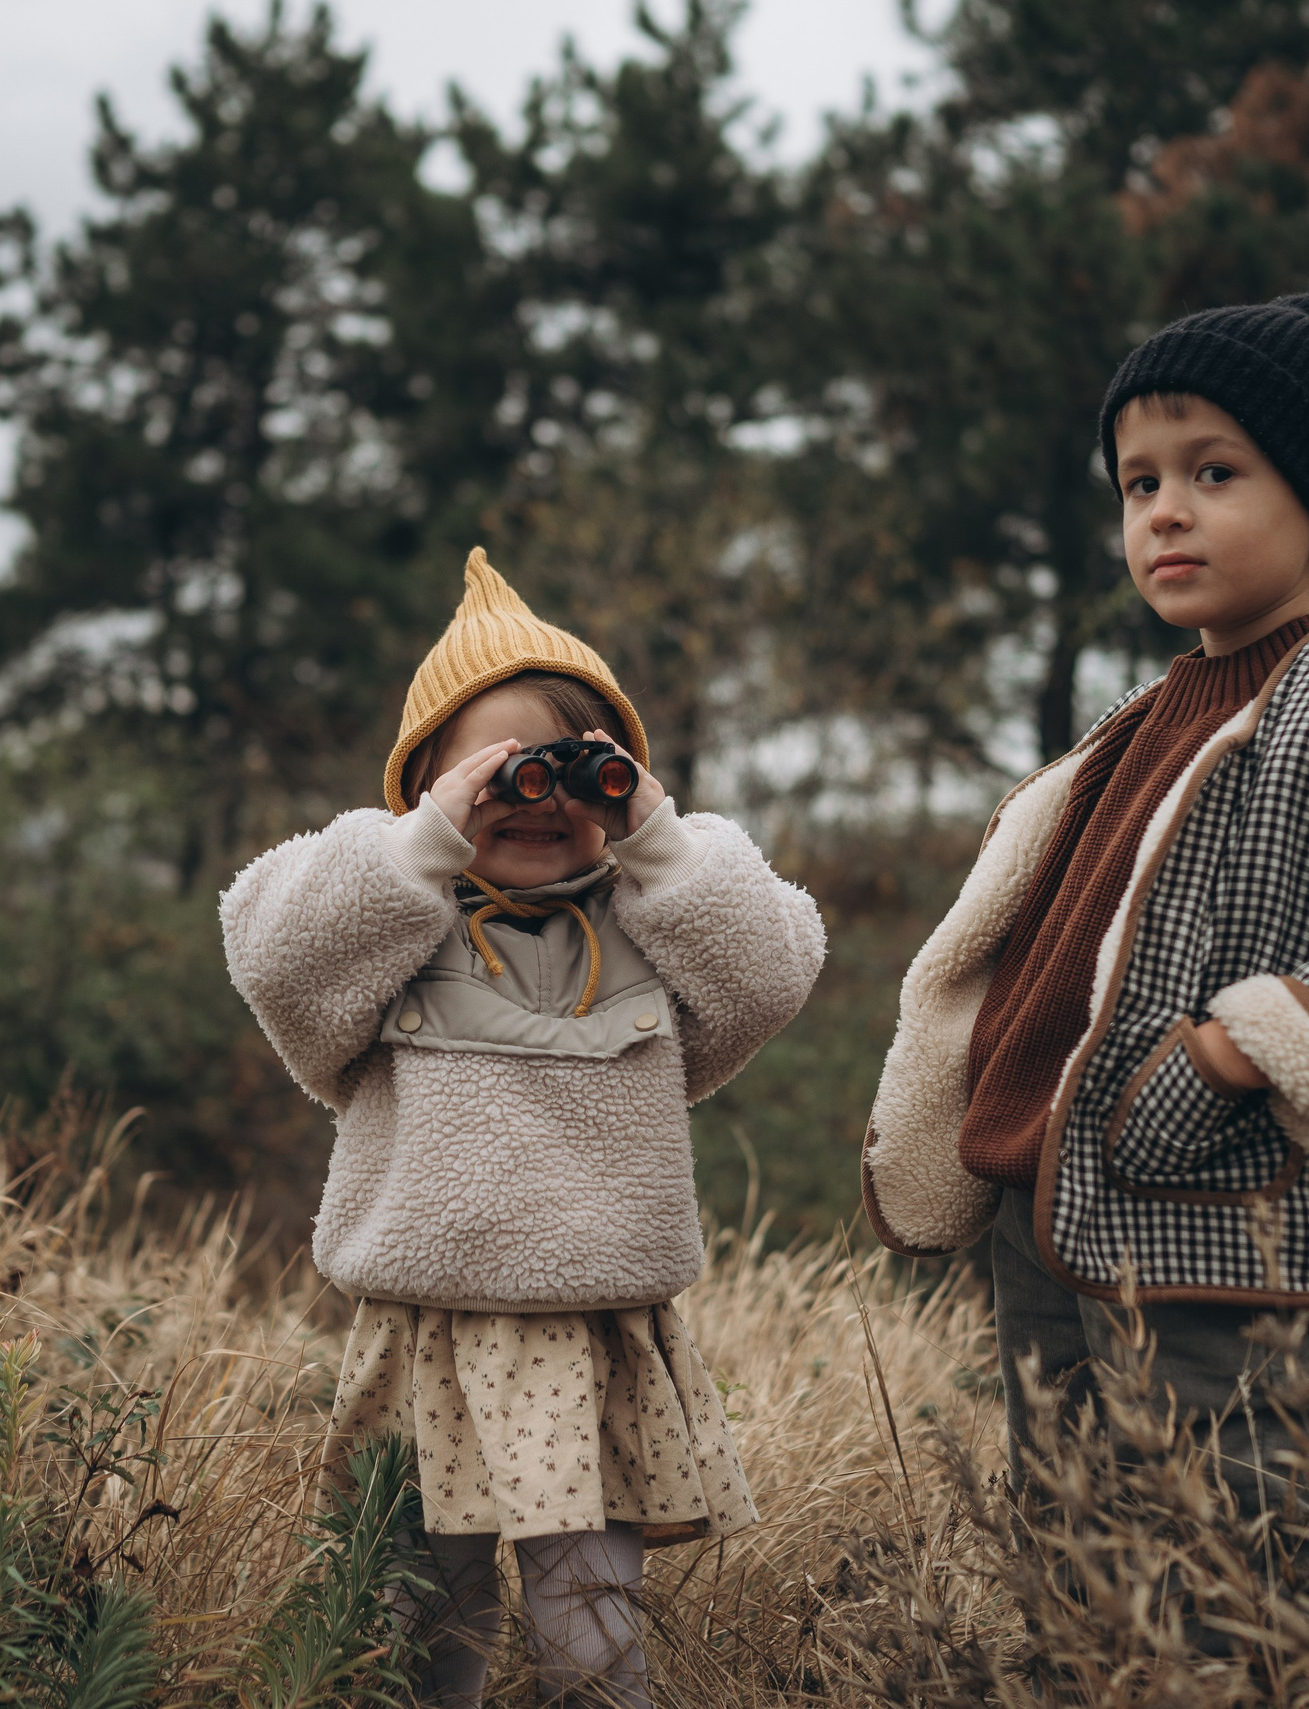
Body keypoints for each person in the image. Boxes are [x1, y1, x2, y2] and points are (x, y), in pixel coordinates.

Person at [861, 292, 1309, 1599]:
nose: (1164, 510)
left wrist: (1227, 1057)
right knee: (1076, 1561)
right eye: (1139, 482)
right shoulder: (1143, 717)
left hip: (1232, 1219)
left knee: (1225, 1559)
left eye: (1215, 473)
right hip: (1056, 1214)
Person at [221, 549, 825, 1708]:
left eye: (576, 775)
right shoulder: (389, 922)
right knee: (406, 1622)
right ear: (426, 790)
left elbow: (769, 970)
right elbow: (279, 957)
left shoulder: (653, 920)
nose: (539, 802)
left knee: (589, 1635)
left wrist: (647, 827)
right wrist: (424, 843)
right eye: (500, 774)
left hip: (591, 1337)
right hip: (426, 1333)